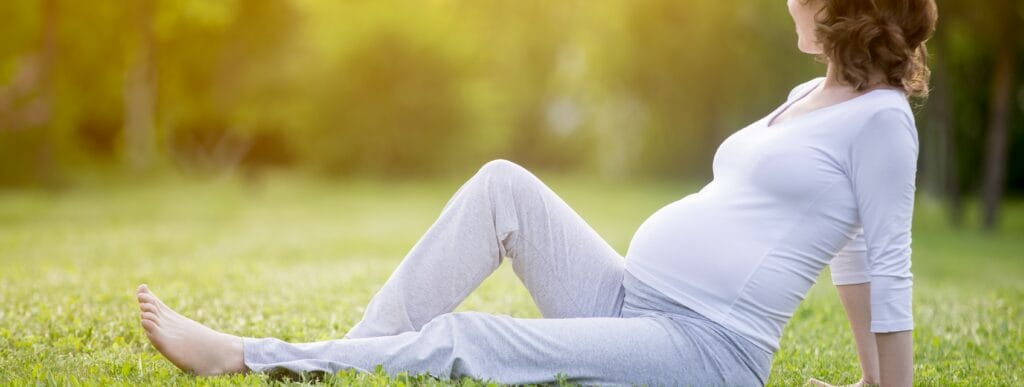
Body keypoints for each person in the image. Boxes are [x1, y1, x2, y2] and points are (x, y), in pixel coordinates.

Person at [134, 0, 938, 385]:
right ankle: (342, 361)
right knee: (502, 188)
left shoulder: (881, 122)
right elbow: (848, 249)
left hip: (702, 349)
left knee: (473, 339)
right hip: (630, 298)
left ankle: (243, 355)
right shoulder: (810, 94)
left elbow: (882, 263)